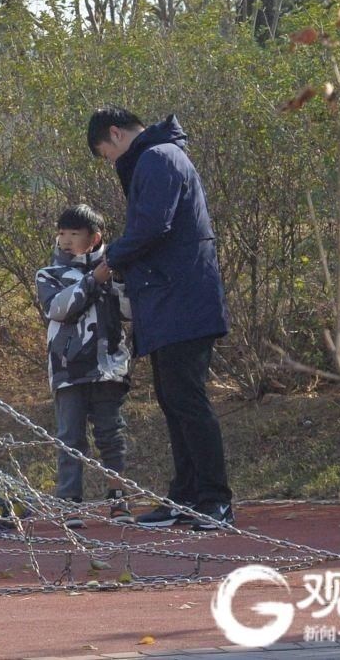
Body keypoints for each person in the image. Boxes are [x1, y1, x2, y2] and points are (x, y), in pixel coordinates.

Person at [86, 107, 233, 530]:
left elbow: (153, 226)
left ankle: (214, 499)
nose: (112, 164)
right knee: (173, 401)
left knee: (188, 399)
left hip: (183, 300)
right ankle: (186, 495)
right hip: (169, 300)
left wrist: (109, 261)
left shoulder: (157, 157)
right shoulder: (158, 157)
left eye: (106, 155)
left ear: (115, 134)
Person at [35, 203, 132, 528]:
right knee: (70, 437)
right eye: (61, 233)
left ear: (94, 238)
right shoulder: (50, 274)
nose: (65, 240)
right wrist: (92, 281)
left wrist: (118, 279)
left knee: (110, 433)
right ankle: (69, 502)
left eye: (74, 234)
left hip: (108, 368)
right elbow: (58, 309)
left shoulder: (114, 271)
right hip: (68, 369)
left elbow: (130, 312)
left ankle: (119, 498)